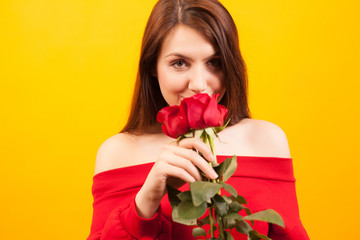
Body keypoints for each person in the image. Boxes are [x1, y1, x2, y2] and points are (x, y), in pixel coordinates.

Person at [87, 0, 309, 239]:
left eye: (214, 63)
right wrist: (147, 199)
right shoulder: (117, 152)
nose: (199, 85)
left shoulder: (266, 139)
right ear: (152, 66)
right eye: (179, 63)